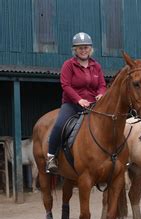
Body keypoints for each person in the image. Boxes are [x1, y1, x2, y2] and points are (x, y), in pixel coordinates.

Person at [46, 32, 106, 173]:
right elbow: (65, 85)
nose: (83, 50)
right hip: (72, 105)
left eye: (86, 47)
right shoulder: (68, 65)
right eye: (80, 48)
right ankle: (51, 157)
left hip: (93, 106)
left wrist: (101, 94)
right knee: (59, 125)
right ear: (75, 50)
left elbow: (102, 84)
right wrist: (79, 100)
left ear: (90, 49)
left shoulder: (96, 66)